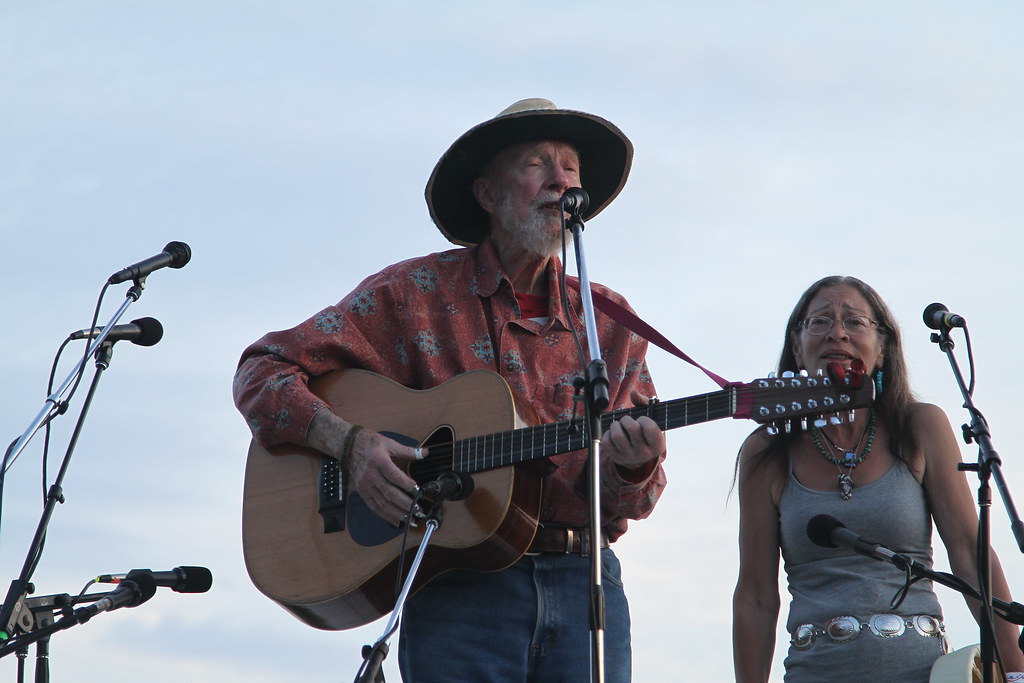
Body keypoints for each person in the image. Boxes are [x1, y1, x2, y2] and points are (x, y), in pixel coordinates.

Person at [233, 98, 667, 682]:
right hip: (459, 590)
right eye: (537, 164)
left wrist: (634, 468)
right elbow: (264, 369)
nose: (561, 179)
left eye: (571, 166)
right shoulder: (416, 294)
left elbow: (632, 502)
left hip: (585, 580)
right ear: (487, 194)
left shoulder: (611, 324)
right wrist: (352, 445)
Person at [731, 275, 1024, 682]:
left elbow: (969, 555)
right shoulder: (765, 451)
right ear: (797, 348)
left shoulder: (920, 426)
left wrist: (1015, 671)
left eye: (854, 321)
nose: (837, 332)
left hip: (923, 671)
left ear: (882, 348)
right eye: (819, 321)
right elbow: (756, 597)